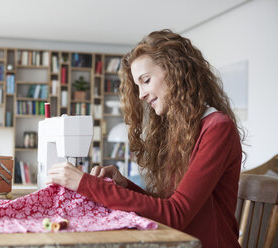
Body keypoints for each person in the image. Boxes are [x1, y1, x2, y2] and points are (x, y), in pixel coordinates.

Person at [46, 29, 245, 248]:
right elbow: (168, 206)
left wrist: (84, 183)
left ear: (176, 72)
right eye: (138, 85)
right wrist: (125, 186)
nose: (141, 95)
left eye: (146, 80)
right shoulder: (183, 129)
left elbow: (176, 214)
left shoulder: (217, 129)